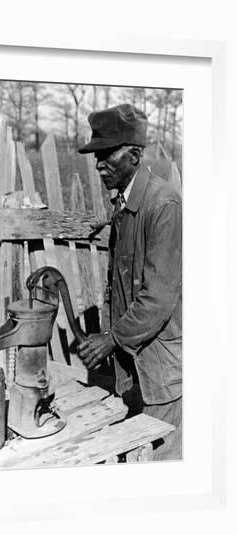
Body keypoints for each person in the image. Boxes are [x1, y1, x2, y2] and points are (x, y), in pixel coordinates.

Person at [77, 103, 182, 461]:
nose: (97, 164)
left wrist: (112, 339)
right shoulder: (125, 203)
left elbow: (158, 299)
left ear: (135, 155)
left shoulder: (163, 204)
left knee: (162, 468)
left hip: (161, 372)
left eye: (106, 154)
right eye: (96, 155)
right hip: (135, 366)